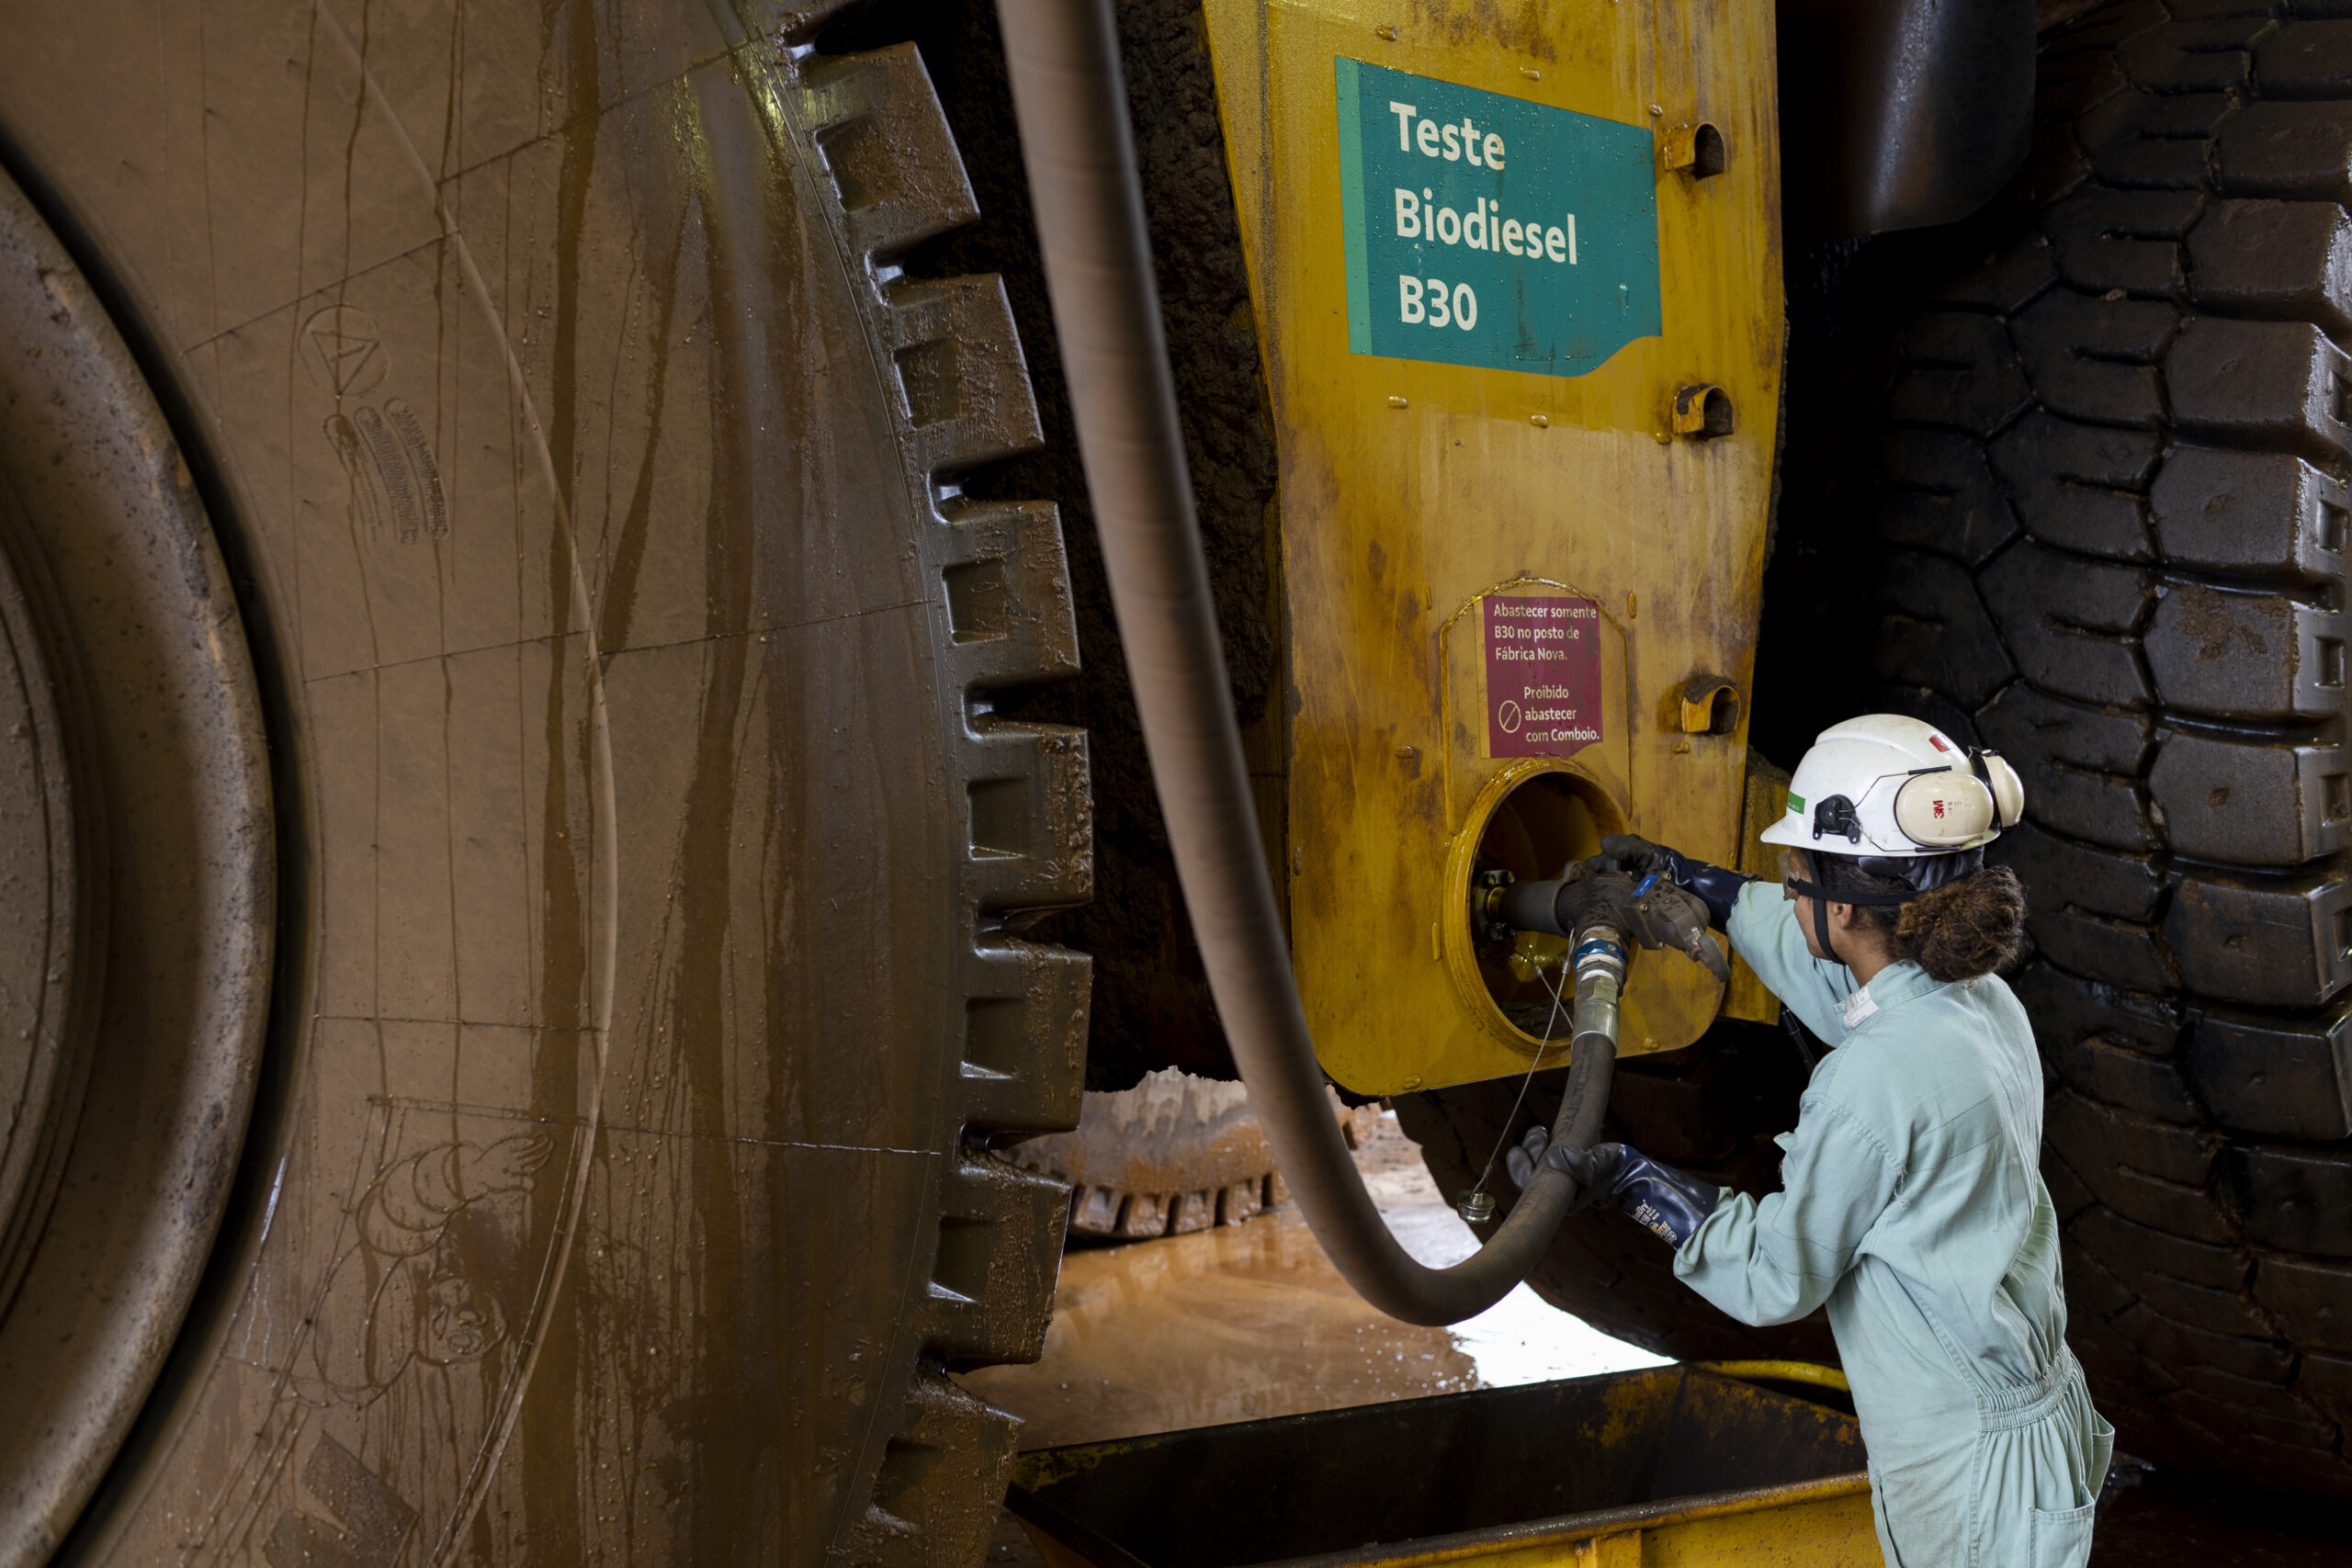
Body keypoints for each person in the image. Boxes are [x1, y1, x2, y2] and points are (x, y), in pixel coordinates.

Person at [1508, 714, 2112, 1568]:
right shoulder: (1980, 1004)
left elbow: (1777, 1272)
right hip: (2029, 1424)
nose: (1787, 894)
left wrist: (1630, 1180)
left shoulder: (1869, 1083)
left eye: (1793, 877)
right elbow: (1838, 984)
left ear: (1847, 902)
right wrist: (1708, 888)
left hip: (1967, 1467)